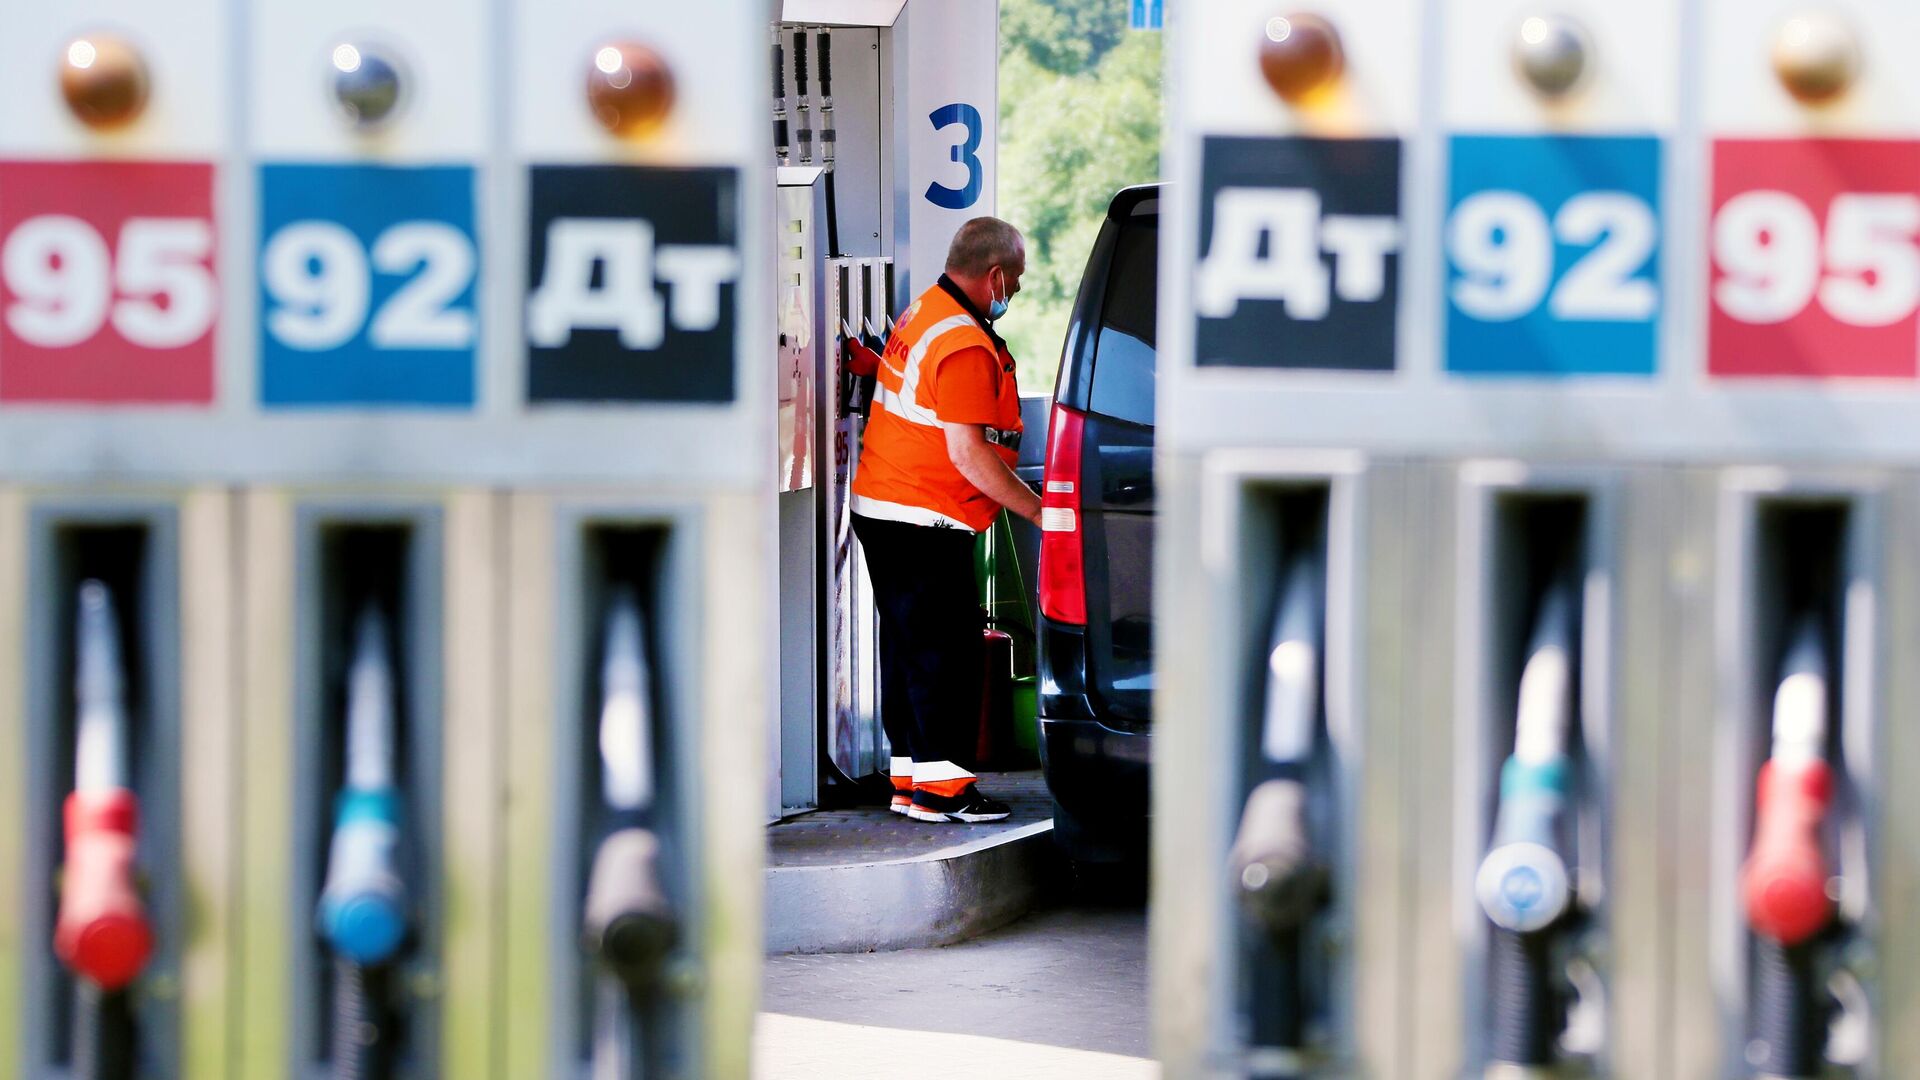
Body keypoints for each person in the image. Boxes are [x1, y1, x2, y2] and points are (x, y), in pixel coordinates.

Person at [850, 216, 1042, 823]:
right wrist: (1041, 512)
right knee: (945, 655)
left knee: (911, 647)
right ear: (994, 276)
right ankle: (946, 792)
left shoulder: (924, 313)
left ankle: (910, 783)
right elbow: (969, 452)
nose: (1015, 290)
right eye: (1015, 279)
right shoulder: (961, 340)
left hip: (888, 506)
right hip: (923, 514)